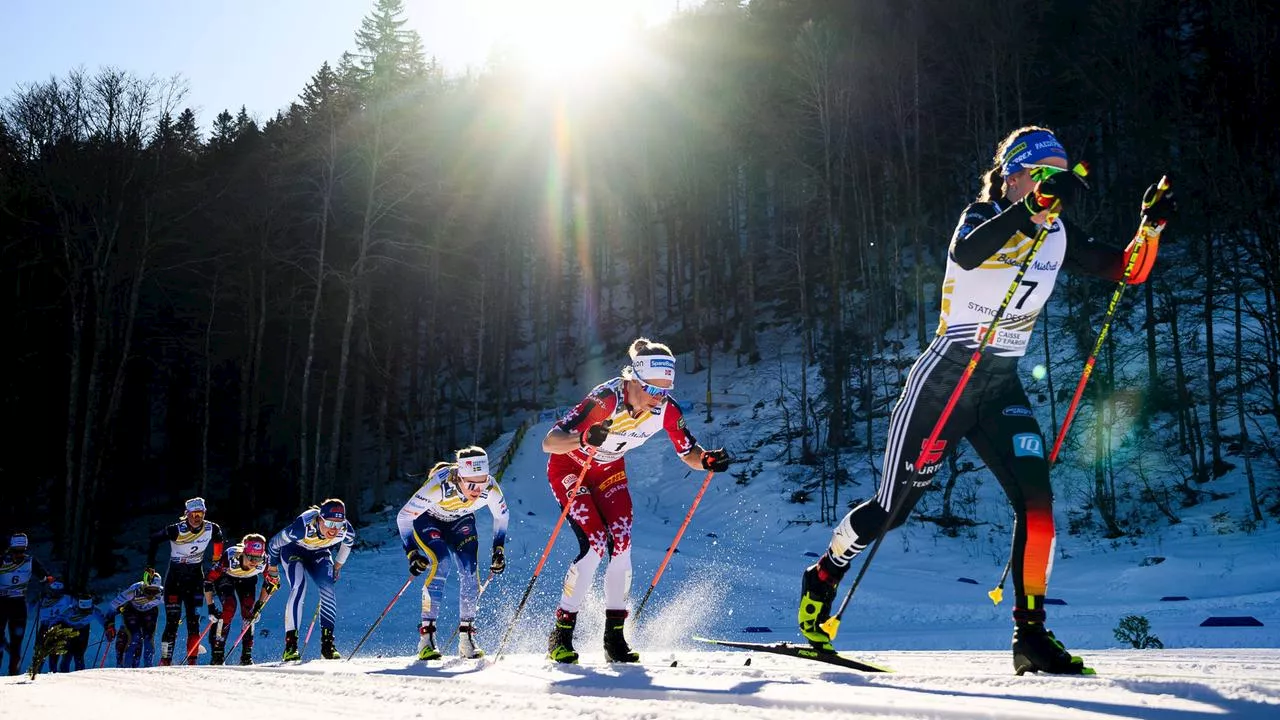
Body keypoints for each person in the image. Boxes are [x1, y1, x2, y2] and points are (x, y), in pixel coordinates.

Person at [796, 126, 1174, 675]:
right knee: (892, 511)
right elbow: (967, 254)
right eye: (1039, 178)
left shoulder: (1059, 233)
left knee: (1038, 505)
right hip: (946, 377)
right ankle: (824, 573)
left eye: (1056, 181)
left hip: (1000, 384)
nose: (1049, 190)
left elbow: (1128, 270)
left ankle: (1031, 635)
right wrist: (1030, 211)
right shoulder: (981, 216)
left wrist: (1152, 226)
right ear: (1012, 176)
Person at [542, 337, 732, 664]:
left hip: (609, 472)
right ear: (634, 382)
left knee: (622, 542)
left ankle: (614, 637)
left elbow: (689, 452)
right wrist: (583, 437)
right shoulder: (605, 400)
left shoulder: (667, 411)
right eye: (653, 392)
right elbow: (550, 442)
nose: (658, 401)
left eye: (665, 392)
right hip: (571, 466)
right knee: (596, 544)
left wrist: (707, 461)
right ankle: (561, 632)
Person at [397, 446, 510, 660]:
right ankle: (426, 639)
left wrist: (498, 549)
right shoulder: (438, 486)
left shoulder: (490, 488)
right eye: (471, 484)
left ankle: (467, 638)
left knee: (470, 569)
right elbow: (403, 517)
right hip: (429, 520)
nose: (478, 490)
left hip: (460, 521)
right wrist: (412, 553)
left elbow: (502, 517)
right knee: (442, 562)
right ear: (459, 477)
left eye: (483, 481)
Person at [266, 498, 355, 661]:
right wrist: (272, 568)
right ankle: (290, 646)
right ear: (320, 519)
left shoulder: (346, 530)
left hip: (319, 553)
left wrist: (337, 565)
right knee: (299, 586)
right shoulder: (302, 527)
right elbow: (273, 544)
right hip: (293, 550)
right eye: (329, 524)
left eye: (338, 524)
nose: (334, 530)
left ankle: (327, 645)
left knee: (328, 589)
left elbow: (348, 543)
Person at [147, 497, 225, 665]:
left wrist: (216, 563)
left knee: (193, 621)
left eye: (200, 513)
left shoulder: (212, 528)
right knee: (172, 621)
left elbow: (219, 540)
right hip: (175, 580)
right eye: (193, 514)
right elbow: (154, 539)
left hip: (195, 579)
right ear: (186, 514)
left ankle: (192, 661)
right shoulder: (176, 530)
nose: (197, 517)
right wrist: (150, 566)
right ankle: (165, 661)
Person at [203, 533, 278, 665]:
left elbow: (273, 584)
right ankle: (217, 654)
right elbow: (208, 580)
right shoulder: (230, 557)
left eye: (258, 559)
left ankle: (246, 656)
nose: (254, 563)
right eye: (250, 558)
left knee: (248, 613)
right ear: (243, 553)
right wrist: (211, 607)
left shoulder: (266, 561)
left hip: (248, 580)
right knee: (229, 607)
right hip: (227, 577)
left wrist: (259, 606)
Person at [0, 532, 53, 675]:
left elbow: (44, 575)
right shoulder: (2, 560)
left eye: (22, 551)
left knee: (17, 642)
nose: (18, 555)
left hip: (18, 604)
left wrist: (48, 579)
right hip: (2, 603)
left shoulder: (30, 561)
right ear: (10, 549)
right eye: (16, 551)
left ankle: (13, 674)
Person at [102, 570, 165, 668]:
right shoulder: (134, 590)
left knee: (149, 639)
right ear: (144, 586)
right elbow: (112, 606)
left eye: (155, 591)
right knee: (135, 637)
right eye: (149, 591)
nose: (152, 595)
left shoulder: (162, 594)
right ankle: (127, 668)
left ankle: (149, 668)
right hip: (132, 611)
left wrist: (174, 618)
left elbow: (176, 602)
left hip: (149, 612)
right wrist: (109, 624)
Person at [34, 579, 74, 672]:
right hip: (44, 626)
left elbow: (77, 606)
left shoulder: (67, 598)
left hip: (58, 626)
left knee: (55, 652)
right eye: (54, 591)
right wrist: (36, 599)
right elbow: (30, 608)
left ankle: (53, 672)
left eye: (58, 592)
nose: (56, 594)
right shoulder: (43, 599)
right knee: (40, 651)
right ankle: (36, 672)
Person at [56, 595, 98, 672]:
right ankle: (63, 675)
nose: (84, 613)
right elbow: (59, 619)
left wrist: (108, 627)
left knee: (79, 656)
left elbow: (102, 618)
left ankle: (80, 674)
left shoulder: (94, 610)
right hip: (69, 631)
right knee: (67, 655)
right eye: (82, 611)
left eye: (86, 611)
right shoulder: (70, 611)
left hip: (83, 632)